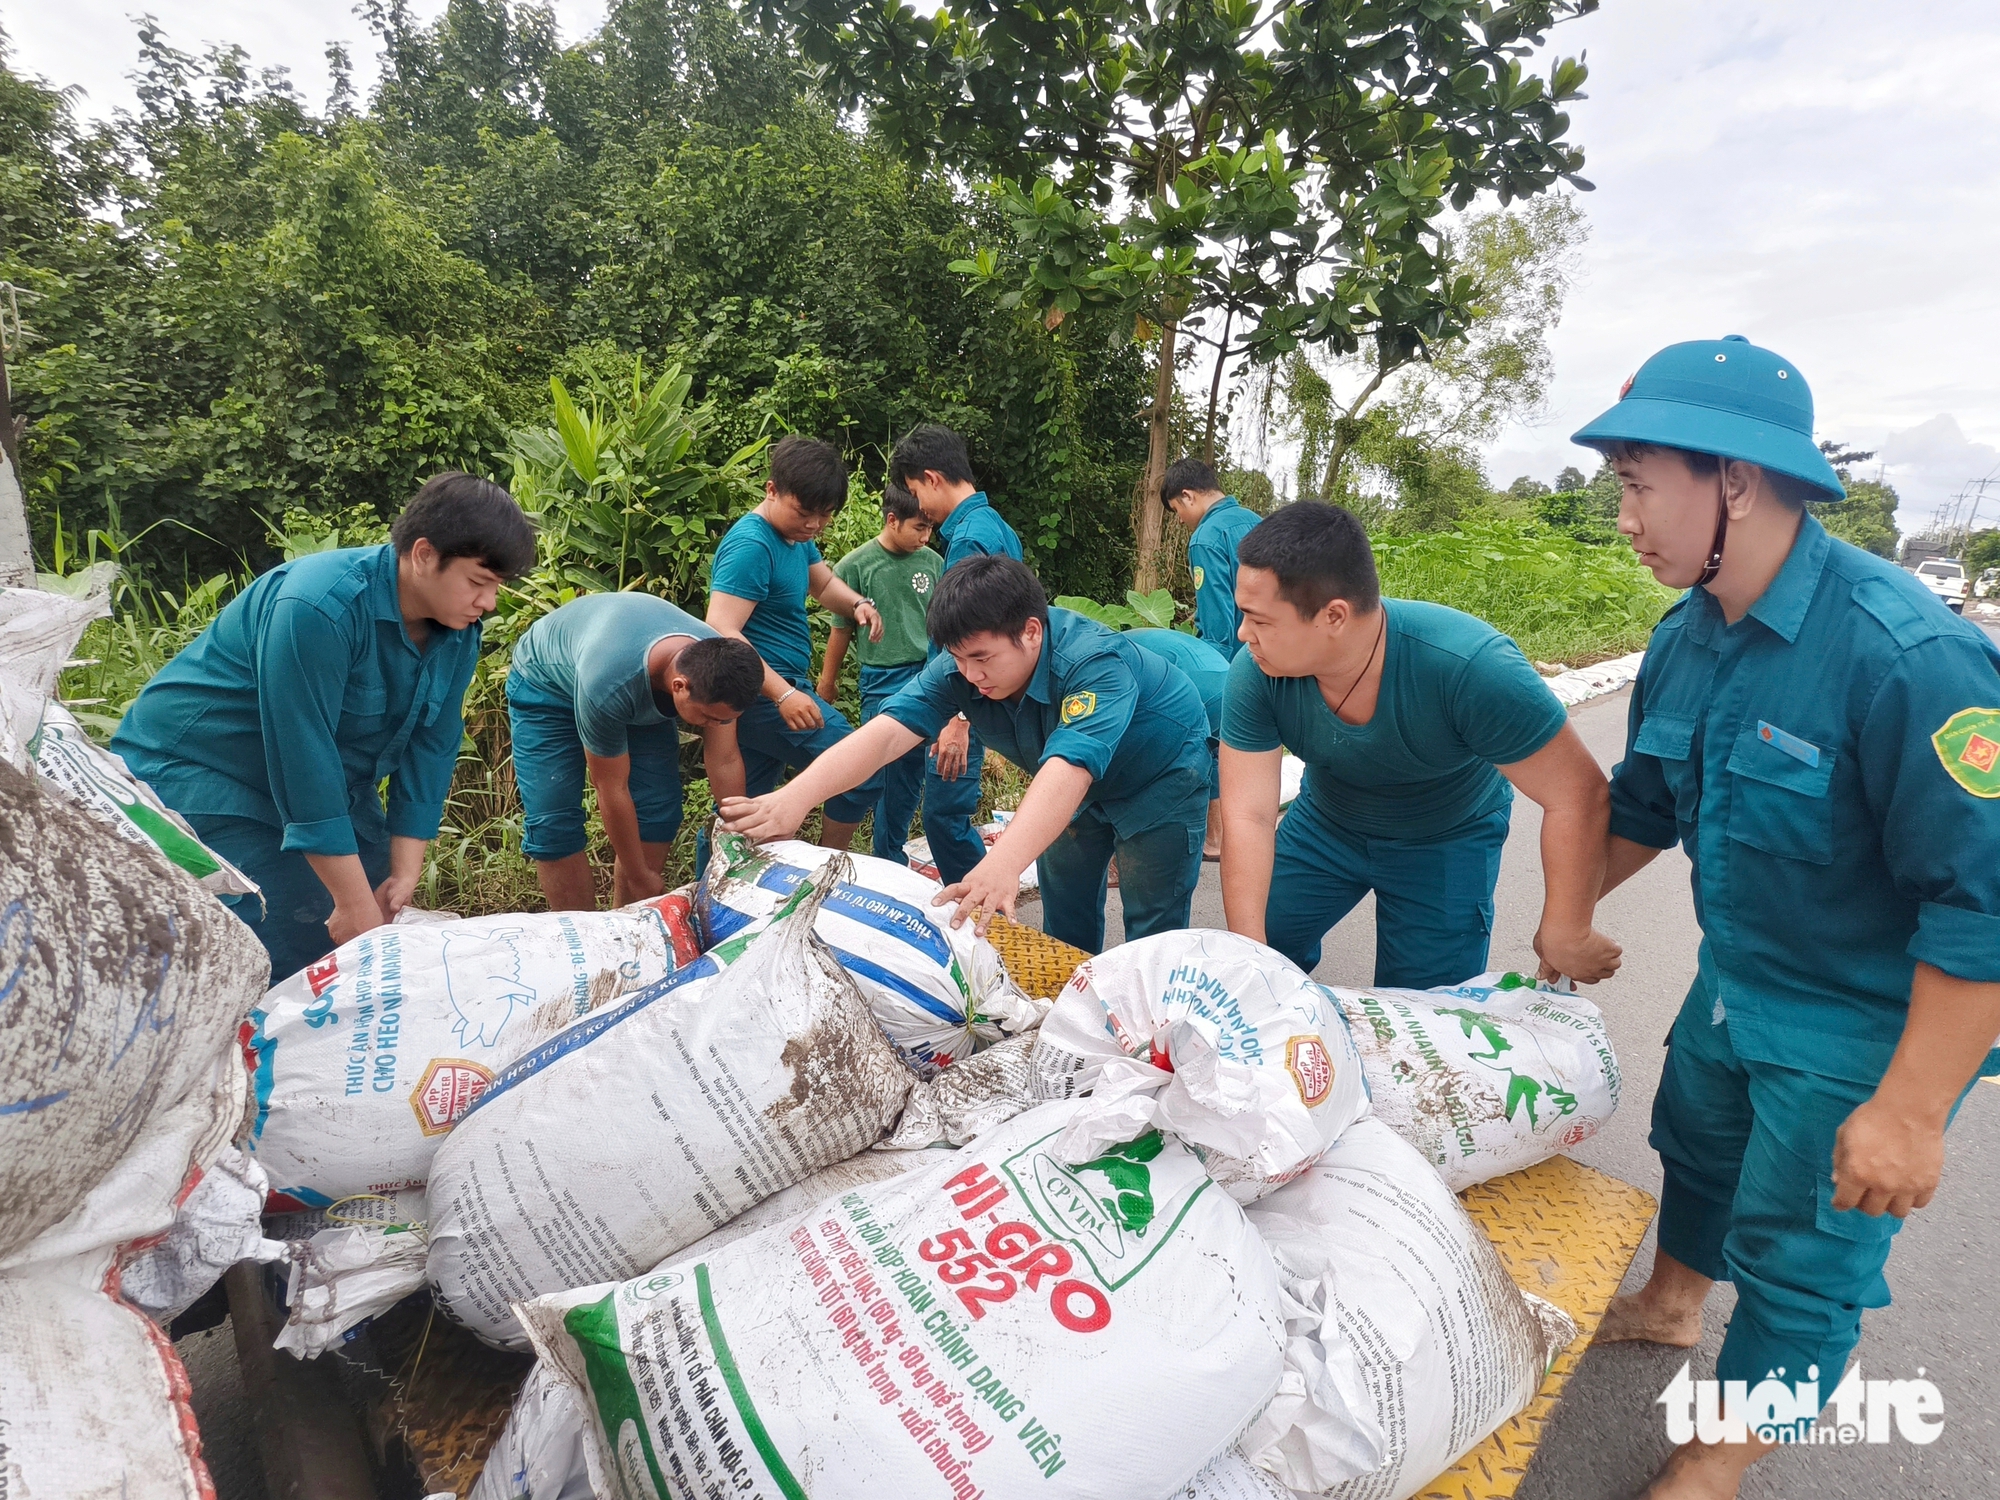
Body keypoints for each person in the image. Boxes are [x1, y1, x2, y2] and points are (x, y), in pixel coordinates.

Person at [1566, 337, 2000, 1500]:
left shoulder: (1910, 658)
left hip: (1860, 1023)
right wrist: (1560, 921)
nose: (1623, 517)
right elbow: (1645, 806)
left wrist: (1908, 1113)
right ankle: (1669, 1307)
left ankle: (1714, 1460)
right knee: (1696, 1155)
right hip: (1735, 980)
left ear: (1737, 483)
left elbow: (1982, 906)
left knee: (1800, 1259)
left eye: (1637, 484)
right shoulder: (1688, 632)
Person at [111, 472, 536, 982]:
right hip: (200, 775)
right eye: (477, 582)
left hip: (326, 782)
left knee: (377, 909)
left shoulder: (456, 631)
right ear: (423, 555)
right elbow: (302, 757)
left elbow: (433, 745)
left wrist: (404, 869)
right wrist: (350, 903)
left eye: (496, 588)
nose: (488, 602)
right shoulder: (317, 607)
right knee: (281, 929)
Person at [1218, 501, 1621, 990]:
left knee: (1426, 1009)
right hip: (1327, 824)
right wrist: (1250, 954)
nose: (1243, 635)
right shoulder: (1257, 672)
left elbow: (1577, 794)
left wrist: (1566, 927)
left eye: (1259, 620)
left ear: (1334, 616)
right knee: (1255, 955)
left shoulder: (1468, 668)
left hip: (1445, 838)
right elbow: (1249, 816)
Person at [719, 556, 1213, 955]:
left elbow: (1070, 768)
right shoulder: (960, 667)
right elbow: (887, 735)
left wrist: (1001, 865)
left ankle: (1153, 1038)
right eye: (958, 659)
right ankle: (1068, 1011)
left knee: (1153, 921)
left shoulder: (1093, 664)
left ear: (1032, 632)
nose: (970, 674)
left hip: (1159, 776)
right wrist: (793, 798)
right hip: (1072, 788)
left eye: (982, 659)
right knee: (1064, 906)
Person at [507, 593, 764, 909]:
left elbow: (724, 760)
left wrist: (737, 837)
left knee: (657, 812)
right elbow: (611, 788)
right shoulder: (609, 685)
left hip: (634, 678)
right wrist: (637, 874)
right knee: (554, 823)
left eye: (724, 720)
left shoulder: (719, 666)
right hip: (545, 686)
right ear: (679, 686)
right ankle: (581, 940)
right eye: (710, 717)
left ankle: (623, 932)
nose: (715, 725)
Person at [706, 435, 887, 852]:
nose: (813, 526)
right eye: (804, 514)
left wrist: (857, 603)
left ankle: (712, 893)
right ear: (772, 490)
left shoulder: (796, 538)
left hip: (780, 690)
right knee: (859, 770)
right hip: (765, 695)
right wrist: (783, 694)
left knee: (743, 813)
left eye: (824, 516)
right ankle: (828, 863)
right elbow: (721, 627)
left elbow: (820, 582)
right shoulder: (752, 545)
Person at [887, 423, 1023, 884]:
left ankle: (985, 915)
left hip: (968, 696)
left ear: (932, 478)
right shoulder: (995, 525)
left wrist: (955, 720)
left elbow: (965, 640)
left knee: (945, 817)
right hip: (987, 690)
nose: (919, 505)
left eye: (914, 490)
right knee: (945, 815)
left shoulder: (968, 540)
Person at [816, 482, 942, 864]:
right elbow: (840, 629)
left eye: (930, 528)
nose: (926, 536)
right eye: (919, 527)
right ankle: (865, 855)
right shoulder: (855, 566)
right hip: (882, 681)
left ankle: (891, 855)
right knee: (880, 773)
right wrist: (827, 681)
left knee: (912, 778)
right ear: (892, 519)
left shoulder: (934, 563)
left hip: (927, 674)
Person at [1126, 627, 1229, 860]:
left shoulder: (1101, 658)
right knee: (1214, 753)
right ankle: (1216, 840)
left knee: (1144, 762)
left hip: (1199, 688)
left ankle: (1130, 857)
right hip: (1226, 678)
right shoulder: (1130, 639)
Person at [1162, 457, 1258, 658]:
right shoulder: (1258, 522)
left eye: (1176, 510)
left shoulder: (1206, 538)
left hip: (1235, 668)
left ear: (1187, 496)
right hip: (1274, 663)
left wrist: (1211, 674)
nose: (1179, 520)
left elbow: (1217, 630)